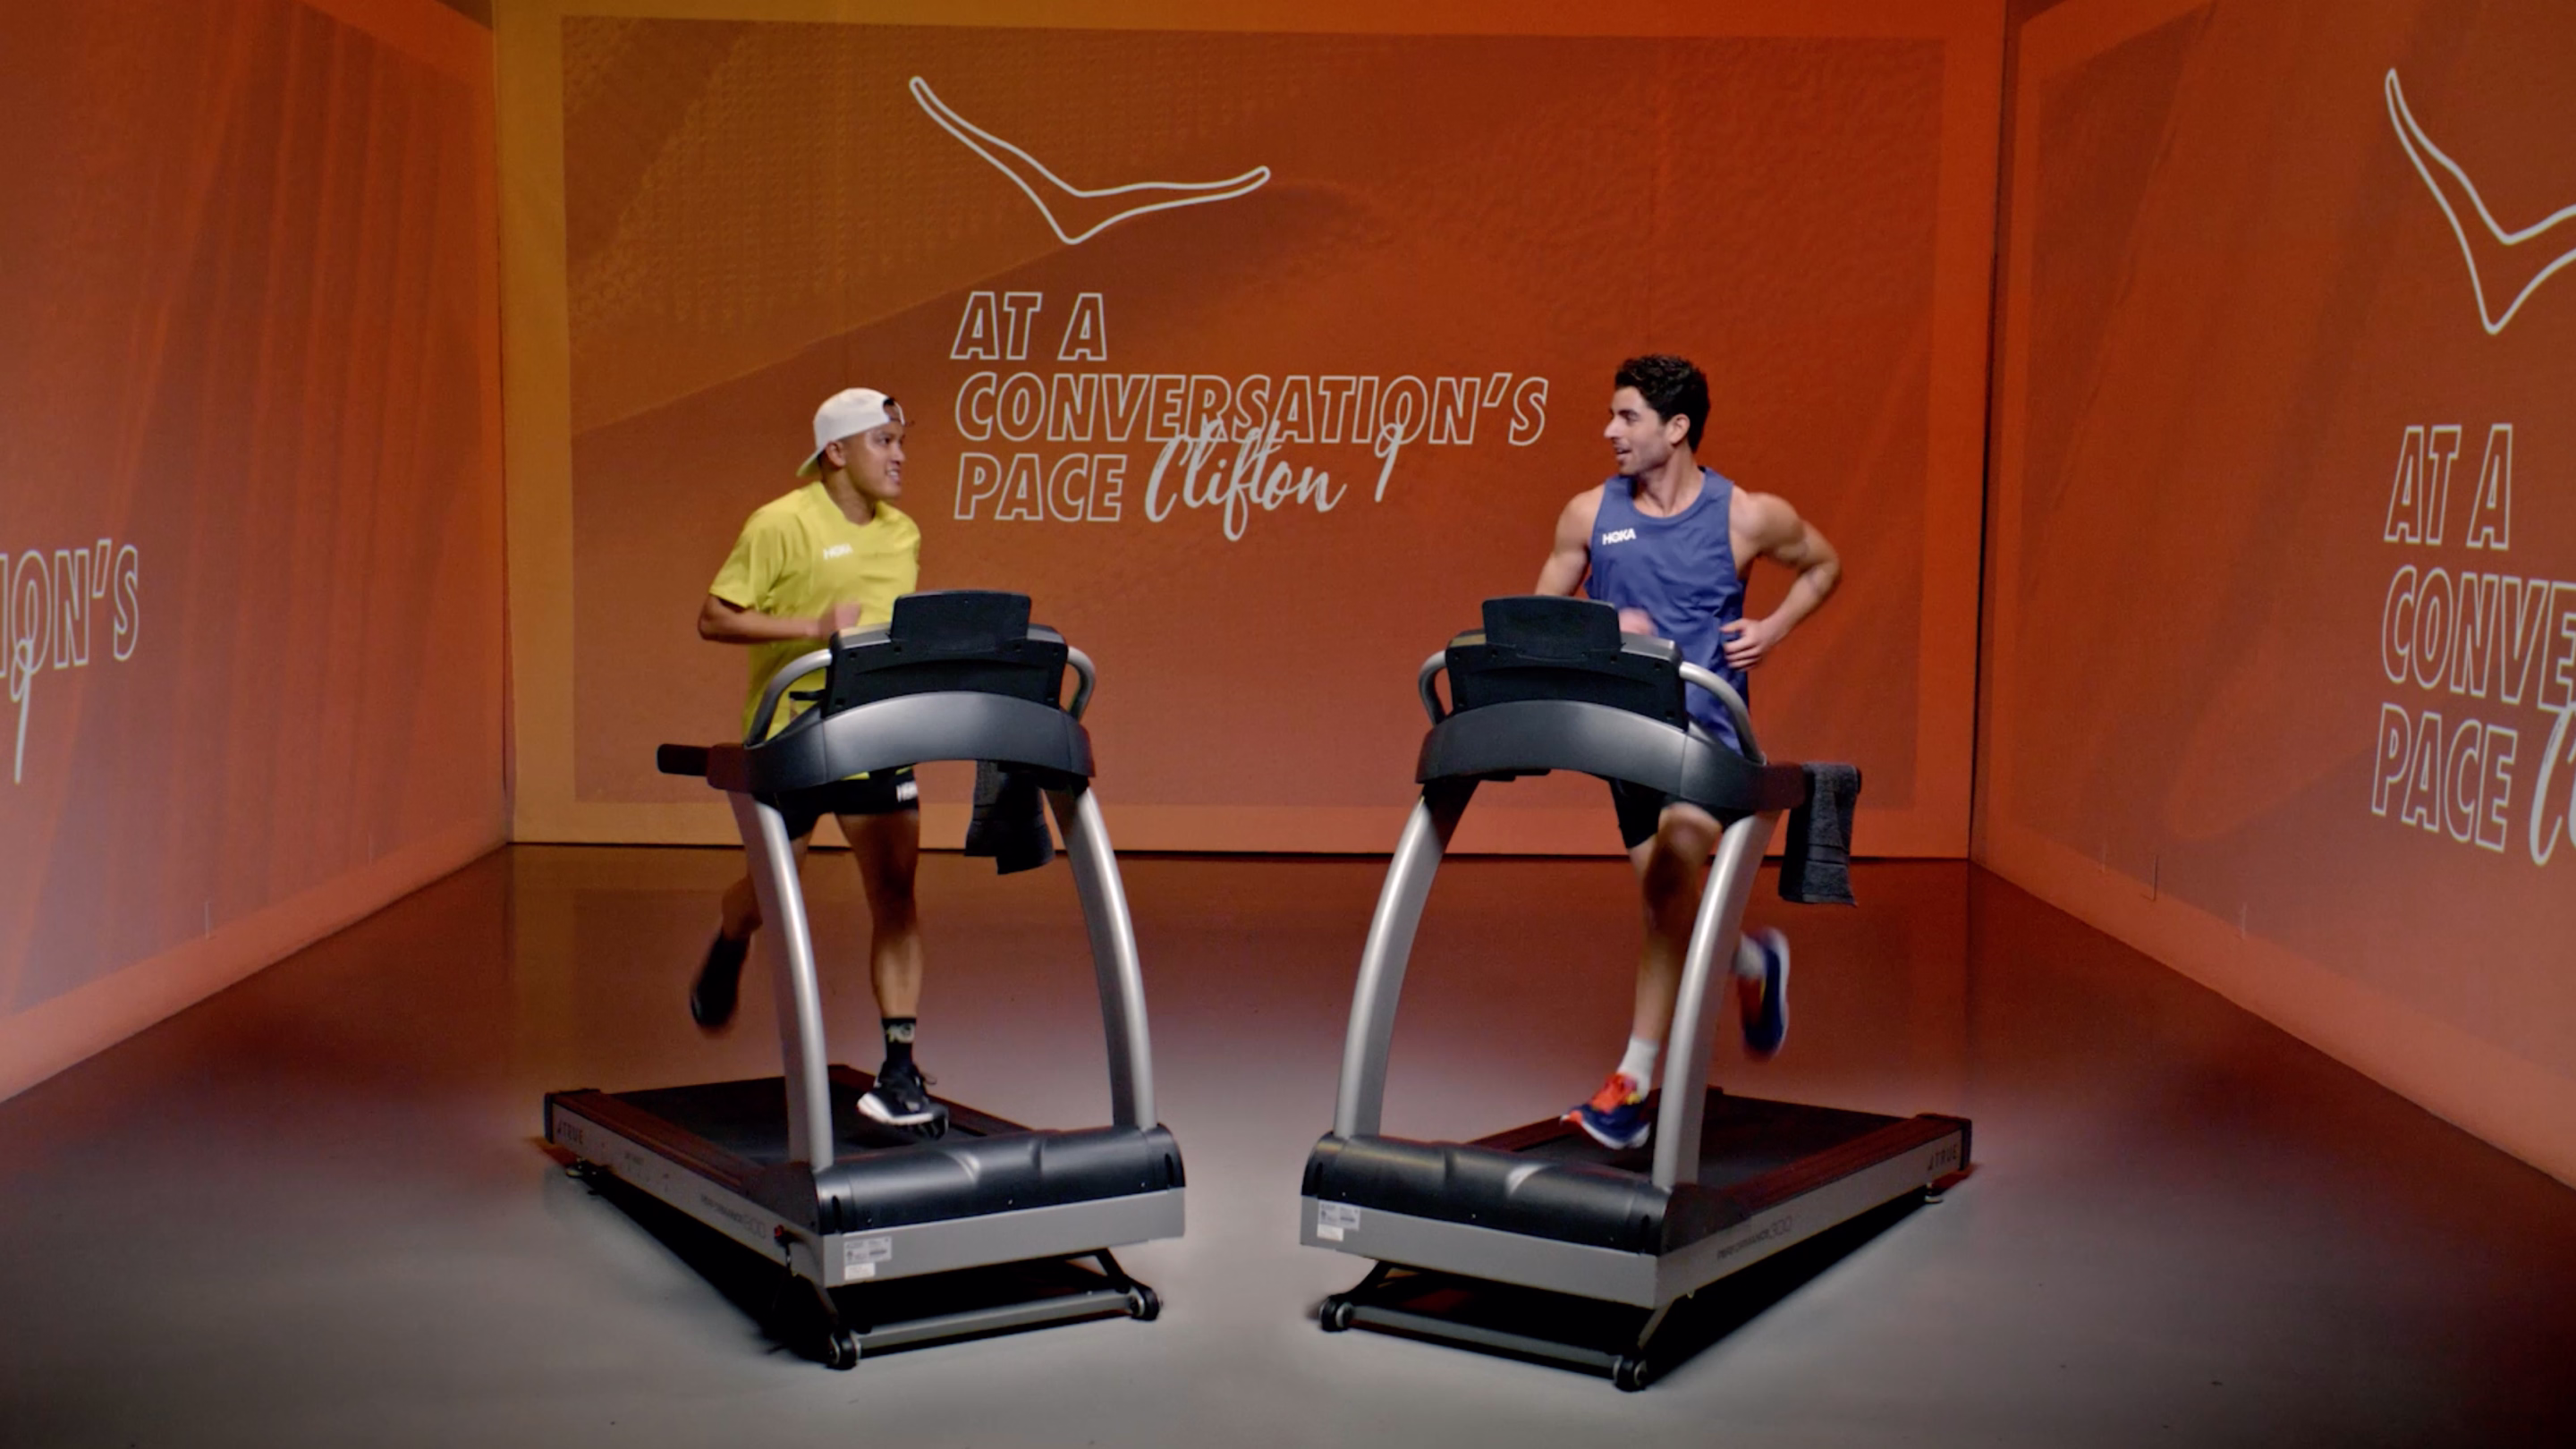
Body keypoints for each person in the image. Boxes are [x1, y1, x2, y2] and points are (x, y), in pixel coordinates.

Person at [1533, 354, 1843, 1150]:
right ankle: (1750, 965)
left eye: (1627, 416)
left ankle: (1632, 1083)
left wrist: (1772, 628)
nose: (1609, 431)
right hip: (1625, 740)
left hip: (1706, 736)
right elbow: (1540, 619)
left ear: (1677, 429)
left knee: (1672, 871)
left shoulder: (1746, 516)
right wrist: (1602, 631)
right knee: (1667, 903)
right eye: (1610, 415)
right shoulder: (1587, 516)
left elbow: (1823, 563)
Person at [689, 386, 943, 1133]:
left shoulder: (905, 535)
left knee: (896, 893)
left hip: (873, 736)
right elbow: (713, 617)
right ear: (836, 452)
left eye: (902, 442)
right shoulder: (779, 524)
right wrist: (810, 628)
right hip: (790, 737)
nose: (899, 456)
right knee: (772, 898)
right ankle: (731, 934)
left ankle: (898, 1067)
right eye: (882, 442)